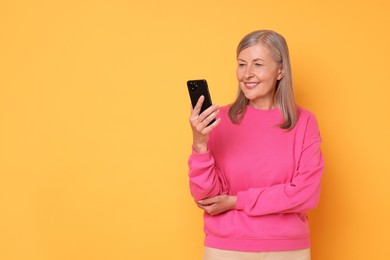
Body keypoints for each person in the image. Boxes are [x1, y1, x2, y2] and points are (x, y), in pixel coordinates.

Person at [187, 30, 324, 260]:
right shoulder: (217, 120)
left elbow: (305, 193)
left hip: (288, 250)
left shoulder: (305, 122)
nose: (247, 74)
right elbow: (206, 198)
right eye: (242, 64)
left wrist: (236, 201)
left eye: (258, 64)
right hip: (225, 249)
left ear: (280, 71)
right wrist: (200, 144)